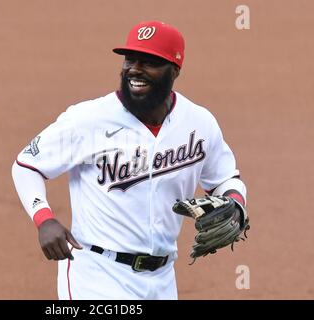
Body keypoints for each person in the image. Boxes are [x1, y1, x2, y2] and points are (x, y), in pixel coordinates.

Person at [12, 21, 248, 300]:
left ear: (174, 71)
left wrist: (235, 205)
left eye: (148, 62)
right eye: (130, 59)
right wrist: (44, 219)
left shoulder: (199, 123)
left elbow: (223, 179)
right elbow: (27, 165)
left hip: (162, 279)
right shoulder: (88, 119)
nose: (135, 69)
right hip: (96, 274)